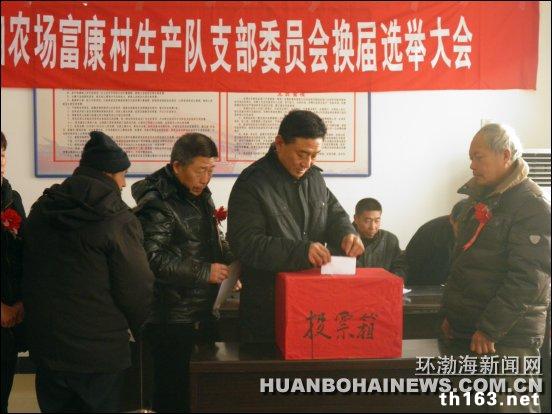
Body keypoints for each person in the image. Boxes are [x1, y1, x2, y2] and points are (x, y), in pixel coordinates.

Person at [22, 131, 154, 413]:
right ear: (108, 173)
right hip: (100, 353)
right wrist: (140, 327)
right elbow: (137, 287)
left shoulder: (43, 209)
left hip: (48, 347)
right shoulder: (118, 219)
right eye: (122, 175)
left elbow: (27, 270)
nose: (124, 183)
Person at [228, 109, 364, 344]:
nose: (307, 163)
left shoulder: (314, 178)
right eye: (302, 154)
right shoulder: (252, 183)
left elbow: (334, 214)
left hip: (310, 301)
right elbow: (246, 244)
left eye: (315, 155)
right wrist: (301, 251)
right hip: (267, 307)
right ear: (279, 143)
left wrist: (347, 233)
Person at [441, 124, 550, 412]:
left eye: (478, 157)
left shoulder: (531, 205)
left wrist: (489, 329)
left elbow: (528, 280)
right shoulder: (479, 200)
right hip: (473, 332)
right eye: (471, 158)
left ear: (505, 155)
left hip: (508, 337)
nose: (472, 165)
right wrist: (452, 316)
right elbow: (464, 264)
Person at [132, 133, 234, 413]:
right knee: (173, 395)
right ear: (177, 166)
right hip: (171, 317)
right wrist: (204, 272)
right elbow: (151, 259)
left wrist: (230, 263)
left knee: (199, 393)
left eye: (211, 170)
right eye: (200, 170)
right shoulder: (158, 203)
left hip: (200, 311)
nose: (206, 178)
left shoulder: (198, 195)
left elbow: (209, 239)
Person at [1, 132, 26, 413]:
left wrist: (20, 302)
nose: (1, 162)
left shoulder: (12, 198)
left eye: (2, 155)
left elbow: (24, 252)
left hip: (10, 318)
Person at [405, 199, 469, 286]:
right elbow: (412, 267)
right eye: (461, 227)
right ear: (451, 219)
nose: (466, 232)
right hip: (422, 283)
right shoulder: (432, 232)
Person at [353, 197, 407, 279]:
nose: (373, 227)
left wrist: (391, 280)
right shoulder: (344, 239)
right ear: (356, 219)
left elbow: (400, 268)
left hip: (384, 285)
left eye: (377, 221)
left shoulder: (390, 240)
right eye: (368, 221)